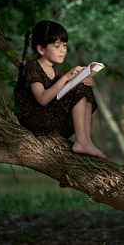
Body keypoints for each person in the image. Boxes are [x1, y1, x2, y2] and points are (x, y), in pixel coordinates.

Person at [14, 20, 106, 158]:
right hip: (35, 120)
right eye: (57, 46)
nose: (63, 50)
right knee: (77, 88)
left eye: (64, 45)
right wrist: (66, 79)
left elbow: (75, 97)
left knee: (82, 87)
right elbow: (42, 99)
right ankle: (81, 141)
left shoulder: (57, 73)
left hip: (51, 118)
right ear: (41, 49)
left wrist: (91, 84)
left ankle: (86, 140)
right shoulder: (32, 68)